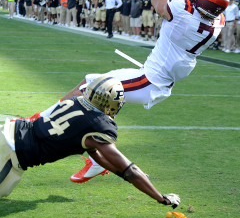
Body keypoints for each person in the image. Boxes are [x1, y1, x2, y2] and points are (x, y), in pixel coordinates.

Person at [68, 0, 229, 183]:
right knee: (100, 97)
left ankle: (45, 119)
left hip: (149, 81)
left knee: (89, 87)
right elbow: (204, 4)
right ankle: (94, 160)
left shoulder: (183, 11)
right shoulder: (218, 24)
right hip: (155, 76)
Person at [0, 76, 180, 210]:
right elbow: (130, 170)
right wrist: (161, 198)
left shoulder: (76, 100)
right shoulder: (99, 125)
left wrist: (124, 175)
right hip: (12, 153)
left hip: (9, 132)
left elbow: (98, 155)